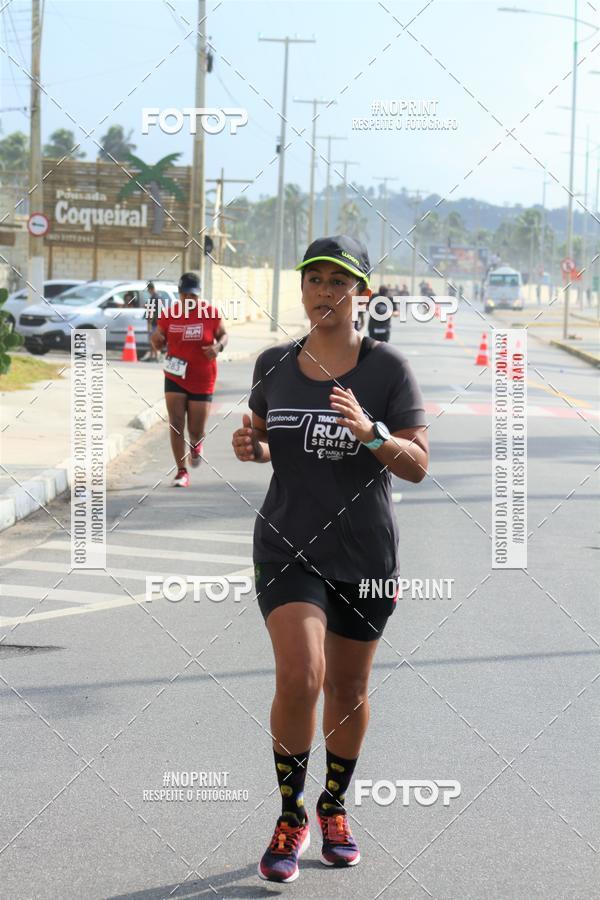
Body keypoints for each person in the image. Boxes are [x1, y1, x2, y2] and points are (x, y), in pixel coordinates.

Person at [231, 234, 428, 884]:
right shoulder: (273, 365)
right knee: (302, 675)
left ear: (360, 292)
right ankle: (291, 817)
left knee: (347, 689)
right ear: (303, 288)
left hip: (366, 555)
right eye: (314, 279)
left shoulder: (387, 370)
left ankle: (334, 804)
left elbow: (418, 465)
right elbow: (266, 442)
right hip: (287, 547)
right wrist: (250, 447)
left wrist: (372, 433)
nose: (325, 291)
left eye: (338, 281)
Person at [152, 271, 228, 487]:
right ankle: (181, 471)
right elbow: (158, 339)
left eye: (193, 296)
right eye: (186, 296)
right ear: (179, 295)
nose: (190, 300)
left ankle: (196, 444)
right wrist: (156, 340)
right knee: (176, 423)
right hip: (175, 374)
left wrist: (218, 346)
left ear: (199, 295)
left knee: (196, 430)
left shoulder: (211, 314)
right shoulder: (168, 314)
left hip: (202, 377)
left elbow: (224, 334)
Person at [144, 281, 162, 361]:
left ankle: (156, 356)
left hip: (154, 322)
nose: (148, 291)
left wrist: (150, 321)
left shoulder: (155, 298)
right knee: (152, 339)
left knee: (153, 340)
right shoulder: (156, 297)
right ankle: (152, 356)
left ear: (150, 289)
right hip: (154, 322)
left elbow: (155, 312)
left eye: (148, 289)